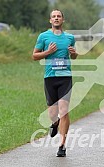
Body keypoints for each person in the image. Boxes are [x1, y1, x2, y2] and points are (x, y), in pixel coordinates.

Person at [32, 9, 78, 157]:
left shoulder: (70, 37)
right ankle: (55, 123)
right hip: (50, 77)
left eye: (59, 16)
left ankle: (62, 146)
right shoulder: (43, 36)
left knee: (64, 110)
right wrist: (47, 52)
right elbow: (34, 56)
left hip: (65, 77)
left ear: (63, 20)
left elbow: (74, 56)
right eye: (54, 16)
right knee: (53, 113)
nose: (56, 18)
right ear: (50, 20)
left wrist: (74, 54)